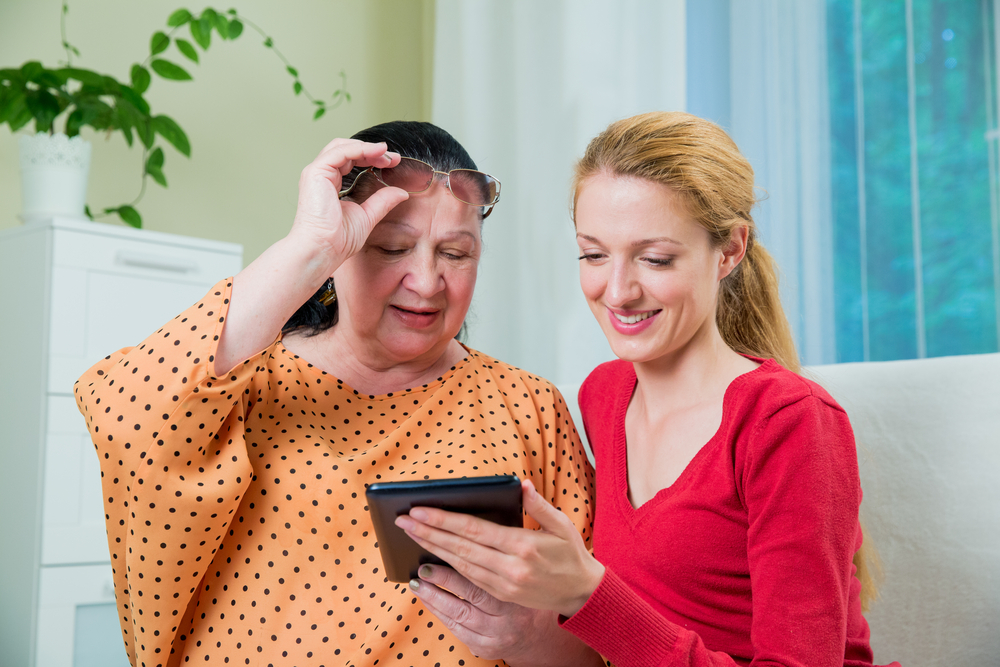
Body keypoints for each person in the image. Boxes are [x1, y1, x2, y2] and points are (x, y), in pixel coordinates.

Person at [73, 121, 595, 667]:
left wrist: (529, 638)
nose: (427, 281)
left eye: (456, 254)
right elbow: (125, 416)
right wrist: (308, 248)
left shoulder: (529, 405)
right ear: (338, 255)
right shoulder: (246, 382)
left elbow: (593, 636)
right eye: (391, 247)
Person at [396, 112, 900, 667]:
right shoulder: (603, 396)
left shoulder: (789, 421)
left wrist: (588, 594)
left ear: (729, 251)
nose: (617, 291)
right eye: (593, 254)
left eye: (655, 259)